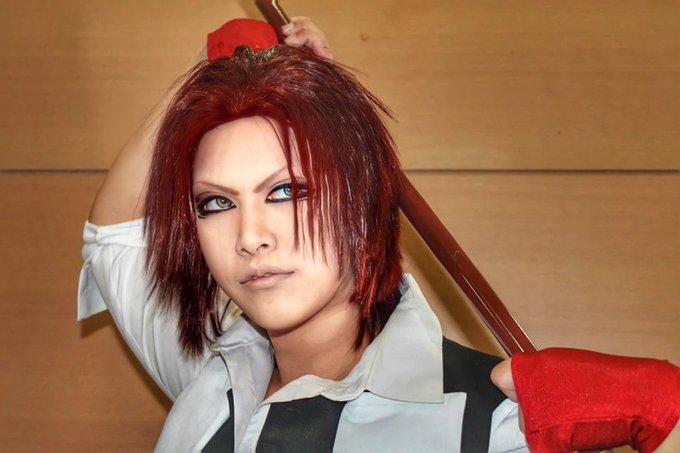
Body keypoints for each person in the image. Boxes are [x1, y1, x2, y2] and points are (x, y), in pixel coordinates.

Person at [78, 17, 679, 452]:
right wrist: (225, 71)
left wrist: (667, 407)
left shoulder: (486, 424)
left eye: (287, 191)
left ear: (362, 200)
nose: (250, 237)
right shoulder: (211, 373)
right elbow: (115, 235)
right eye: (216, 202)